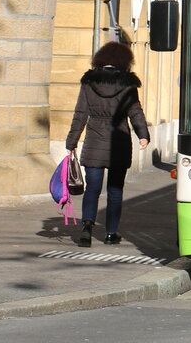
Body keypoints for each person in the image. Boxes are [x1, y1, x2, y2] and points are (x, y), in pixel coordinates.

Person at [65, 41, 150, 246]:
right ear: (125, 60)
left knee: (93, 187)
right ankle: (111, 234)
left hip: (94, 139)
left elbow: (81, 114)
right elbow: (134, 111)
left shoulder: (89, 82)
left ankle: (86, 227)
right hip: (119, 141)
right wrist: (143, 134)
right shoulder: (128, 84)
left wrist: (72, 141)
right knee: (115, 190)